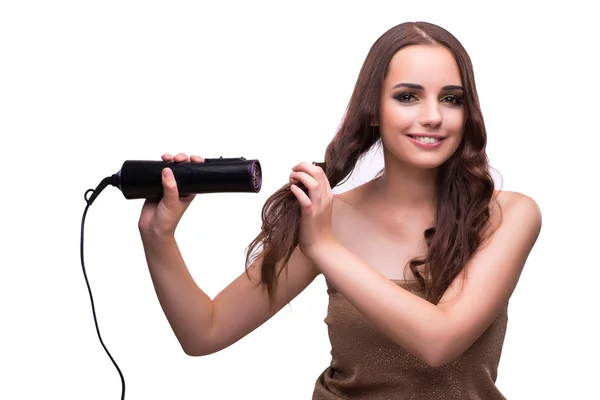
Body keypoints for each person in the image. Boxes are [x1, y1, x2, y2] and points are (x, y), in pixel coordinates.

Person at [137, 21, 542, 399]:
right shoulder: (327, 217)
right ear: (373, 111)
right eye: (407, 97)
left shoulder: (508, 216)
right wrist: (159, 239)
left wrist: (326, 248)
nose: (433, 116)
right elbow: (204, 332)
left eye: (451, 99)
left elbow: (440, 341)